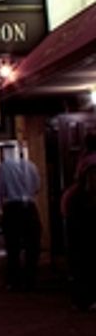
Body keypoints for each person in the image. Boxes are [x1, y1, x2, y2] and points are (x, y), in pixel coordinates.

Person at [0, 146, 42, 290]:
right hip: (30, 207)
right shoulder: (31, 166)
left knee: (13, 246)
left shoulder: (3, 167)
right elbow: (37, 187)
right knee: (32, 245)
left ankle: (14, 280)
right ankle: (31, 279)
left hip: (12, 208)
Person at [62, 133, 96, 310]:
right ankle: (86, 298)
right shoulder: (90, 163)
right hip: (86, 216)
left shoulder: (83, 161)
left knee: (81, 260)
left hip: (78, 217)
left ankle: (82, 298)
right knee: (87, 259)